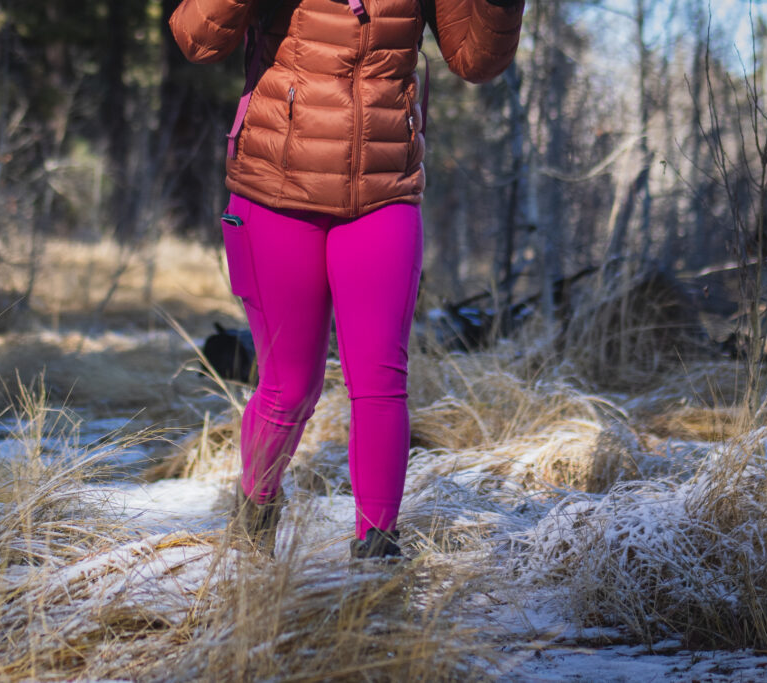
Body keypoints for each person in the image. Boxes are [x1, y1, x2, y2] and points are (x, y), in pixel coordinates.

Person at [169, 0, 524, 559]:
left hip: (383, 191)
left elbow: (476, 60)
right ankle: (255, 520)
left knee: (381, 382)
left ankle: (377, 560)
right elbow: (197, 40)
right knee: (289, 386)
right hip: (275, 190)